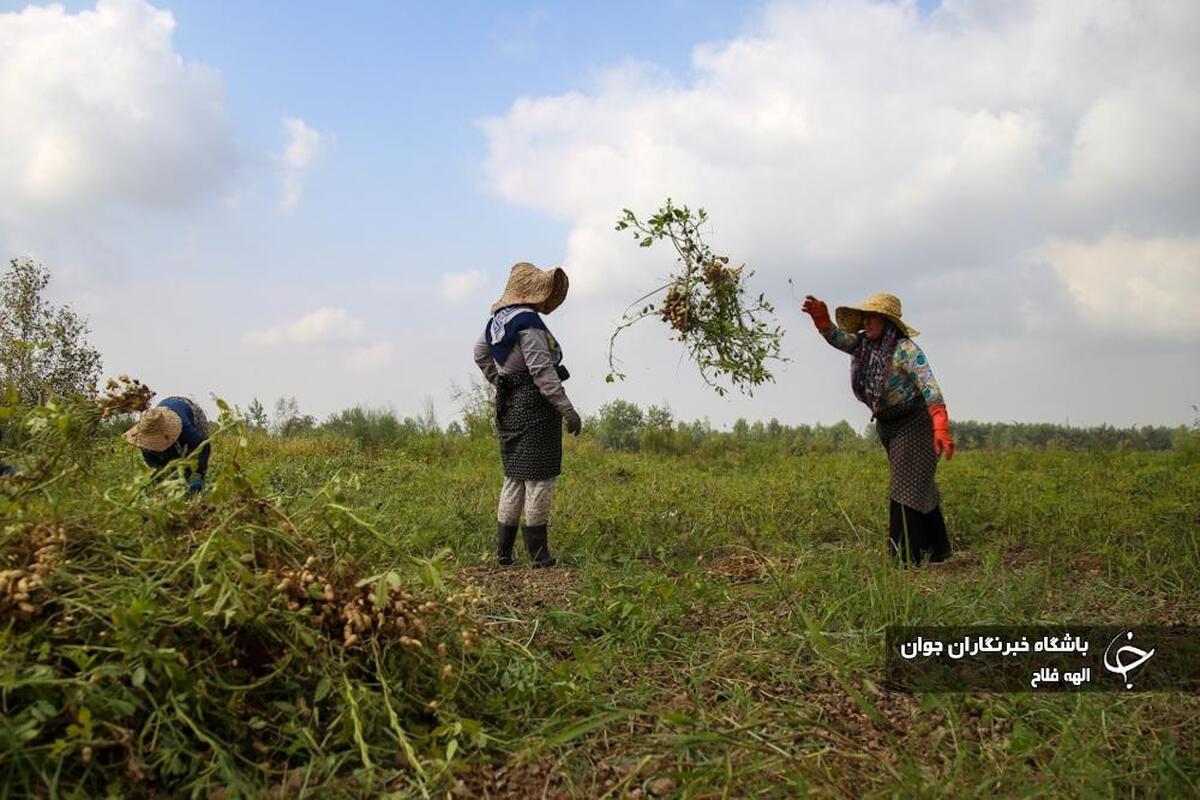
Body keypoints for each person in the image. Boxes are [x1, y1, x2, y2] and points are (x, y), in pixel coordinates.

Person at [802, 292, 953, 565]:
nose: (867, 322)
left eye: (873, 318)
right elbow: (839, 339)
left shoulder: (905, 350)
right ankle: (936, 550)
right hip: (888, 425)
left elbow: (929, 385)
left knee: (905, 485)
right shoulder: (863, 346)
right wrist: (822, 321)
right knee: (919, 484)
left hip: (915, 422)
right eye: (865, 317)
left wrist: (940, 425)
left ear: (887, 322)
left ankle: (906, 558)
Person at [474, 262, 582, 568]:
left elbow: (480, 354)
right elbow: (541, 370)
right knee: (539, 479)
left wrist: (502, 381)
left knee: (514, 479)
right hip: (535, 407)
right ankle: (539, 554)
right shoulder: (528, 322)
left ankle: (504, 554)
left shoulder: (495, 322)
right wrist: (567, 409)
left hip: (509, 404)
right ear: (534, 294)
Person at [123, 396, 211, 493]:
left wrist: (198, 475)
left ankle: (192, 485)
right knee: (166, 464)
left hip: (187, 408)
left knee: (190, 455)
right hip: (165, 407)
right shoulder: (146, 432)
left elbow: (204, 446)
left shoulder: (186, 429)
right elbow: (152, 464)